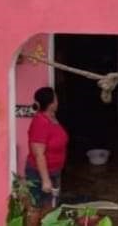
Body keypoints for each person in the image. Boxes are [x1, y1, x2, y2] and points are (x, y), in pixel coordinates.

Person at [25, 87, 68, 224]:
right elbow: (39, 154)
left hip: (54, 171)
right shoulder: (40, 122)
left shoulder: (51, 117)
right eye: (56, 98)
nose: (58, 101)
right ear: (51, 103)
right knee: (36, 207)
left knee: (49, 206)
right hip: (39, 173)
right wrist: (45, 180)